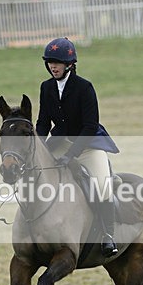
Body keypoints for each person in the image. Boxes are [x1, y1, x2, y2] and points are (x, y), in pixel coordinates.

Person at [36, 37, 120, 257]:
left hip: (87, 145)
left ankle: (108, 235)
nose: (53, 66)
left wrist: (71, 155)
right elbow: (43, 123)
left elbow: (90, 126)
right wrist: (36, 147)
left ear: (69, 64)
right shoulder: (46, 87)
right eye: (50, 62)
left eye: (57, 62)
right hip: (60, 143)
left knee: (102, 185)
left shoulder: (84, 87)